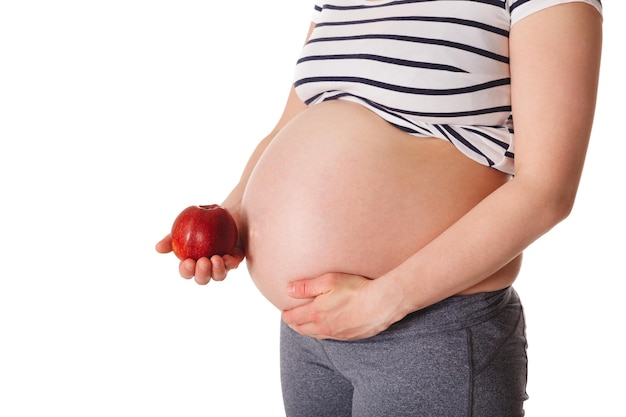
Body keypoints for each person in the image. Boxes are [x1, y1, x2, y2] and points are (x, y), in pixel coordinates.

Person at [156, 1, 603, 415]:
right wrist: (230, 216)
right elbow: (291, 124)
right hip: (308, 334)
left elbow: (547, 190)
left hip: (428, 331)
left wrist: (381, 302)